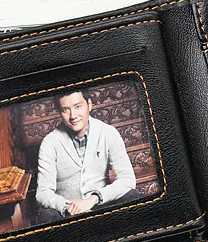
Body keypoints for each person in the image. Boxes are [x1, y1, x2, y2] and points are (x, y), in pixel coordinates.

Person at [35, 87, 140, 223]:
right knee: (46, 216)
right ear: (60, 111)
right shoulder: (49, 142)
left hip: (101, 203)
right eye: (65, 109)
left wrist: (94, 198)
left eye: (78, 106)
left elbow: (127, 179)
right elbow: (43, 193)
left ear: (89, 105)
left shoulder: (108, 133)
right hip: (68, 211)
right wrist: (69, 207)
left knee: (132, 197)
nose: (73, 116)